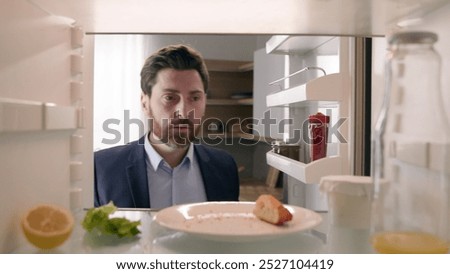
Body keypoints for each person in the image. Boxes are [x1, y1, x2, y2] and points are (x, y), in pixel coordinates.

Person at [94, 44, 240, 208]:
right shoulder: (102, 168)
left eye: (195, 98)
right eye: (169, 98)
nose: (183, 113)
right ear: (145, 104)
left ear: (205, 102)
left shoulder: (225, 167)